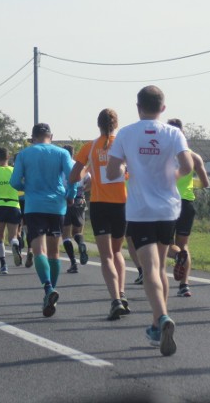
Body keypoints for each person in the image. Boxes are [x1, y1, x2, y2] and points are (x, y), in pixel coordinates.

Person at [106, 86, 191, 356]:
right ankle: (157, 324)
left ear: (138, 106)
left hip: (141, 210)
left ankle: (163, 318)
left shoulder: (126, 133)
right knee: (161, 267)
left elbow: (112, 171)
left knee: (150, 269)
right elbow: (188, 167)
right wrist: (171, 176)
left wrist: (126, 168)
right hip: (168, 209)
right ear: (162, 108)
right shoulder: (174, 133)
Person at [70, 108, 130, 320]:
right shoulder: (124, 144)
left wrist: (89, 171)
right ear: (116, 124)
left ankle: (115, 300)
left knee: (106, 256)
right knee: (117, 253)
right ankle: (122, 295)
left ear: (98, 124)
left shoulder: (90, 146)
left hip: (100, 205)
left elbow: (74, 176)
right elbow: (131, 171)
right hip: (121, 205)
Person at [10, 123, 74, 317]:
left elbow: (14, 182)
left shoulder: (24, 154)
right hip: (57, 206)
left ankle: (47, 289)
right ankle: (51, 291)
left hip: (34, 206)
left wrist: (28, 185)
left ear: (33, 137)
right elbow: (74, 177)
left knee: (39, 250)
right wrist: (71, 194)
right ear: (51, 136)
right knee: (55, 252)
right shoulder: (62, 153)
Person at [165, 119, 210, 299]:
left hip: (168, 202)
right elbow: (206, 183)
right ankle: (184, 285)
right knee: (184, 245)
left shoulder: (164, 155)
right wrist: (190, 183)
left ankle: (177, 258)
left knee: (166, 244)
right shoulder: (193, 156)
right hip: (187, 203)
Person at [61, 144, 87, 274]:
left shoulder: (60, 166)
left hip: (64, 200)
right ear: (73, 153)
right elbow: (90, 180)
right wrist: (82, 190)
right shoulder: (79, 165)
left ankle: (73, 263)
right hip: (79, 199)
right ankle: (81, 244)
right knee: (77, 231)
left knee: (65, 234)